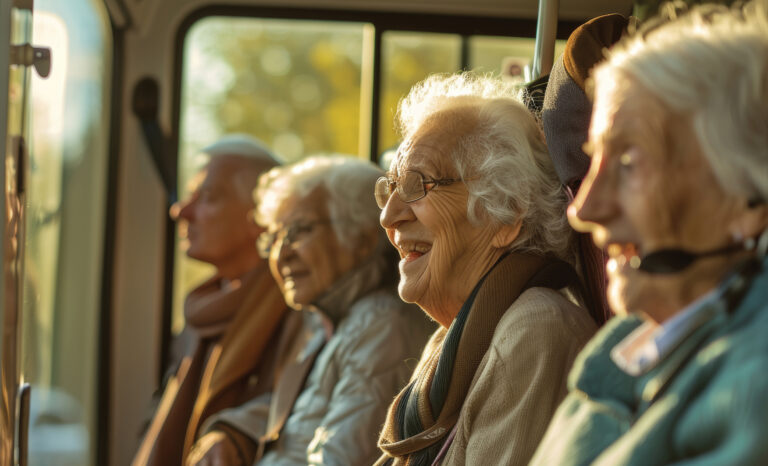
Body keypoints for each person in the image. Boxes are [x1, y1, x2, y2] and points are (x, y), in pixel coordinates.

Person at [531, 2, 768, 464]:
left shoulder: (752, 391)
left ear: (747, 199)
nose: (584, 209)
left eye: (629, 162)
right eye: (594, 157)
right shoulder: (629, 342)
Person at [375, 73, 599, 466]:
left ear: (508, 210)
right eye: (390, 186)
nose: (388, 215)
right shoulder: (455, 337)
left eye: (418, 184)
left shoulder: (535, 330)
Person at [189, 155, 434, 466]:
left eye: (298, 231)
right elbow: (298, 410)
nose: (282, 255)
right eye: (274, 238)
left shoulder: (380, 323)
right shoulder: (327, 319)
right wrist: (237, 431)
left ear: (360, 238)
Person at [133, 135, 289, 466]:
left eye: (207, 197)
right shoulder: (200, 316)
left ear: (260, 217)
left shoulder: (294, 315)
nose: (180, 211)